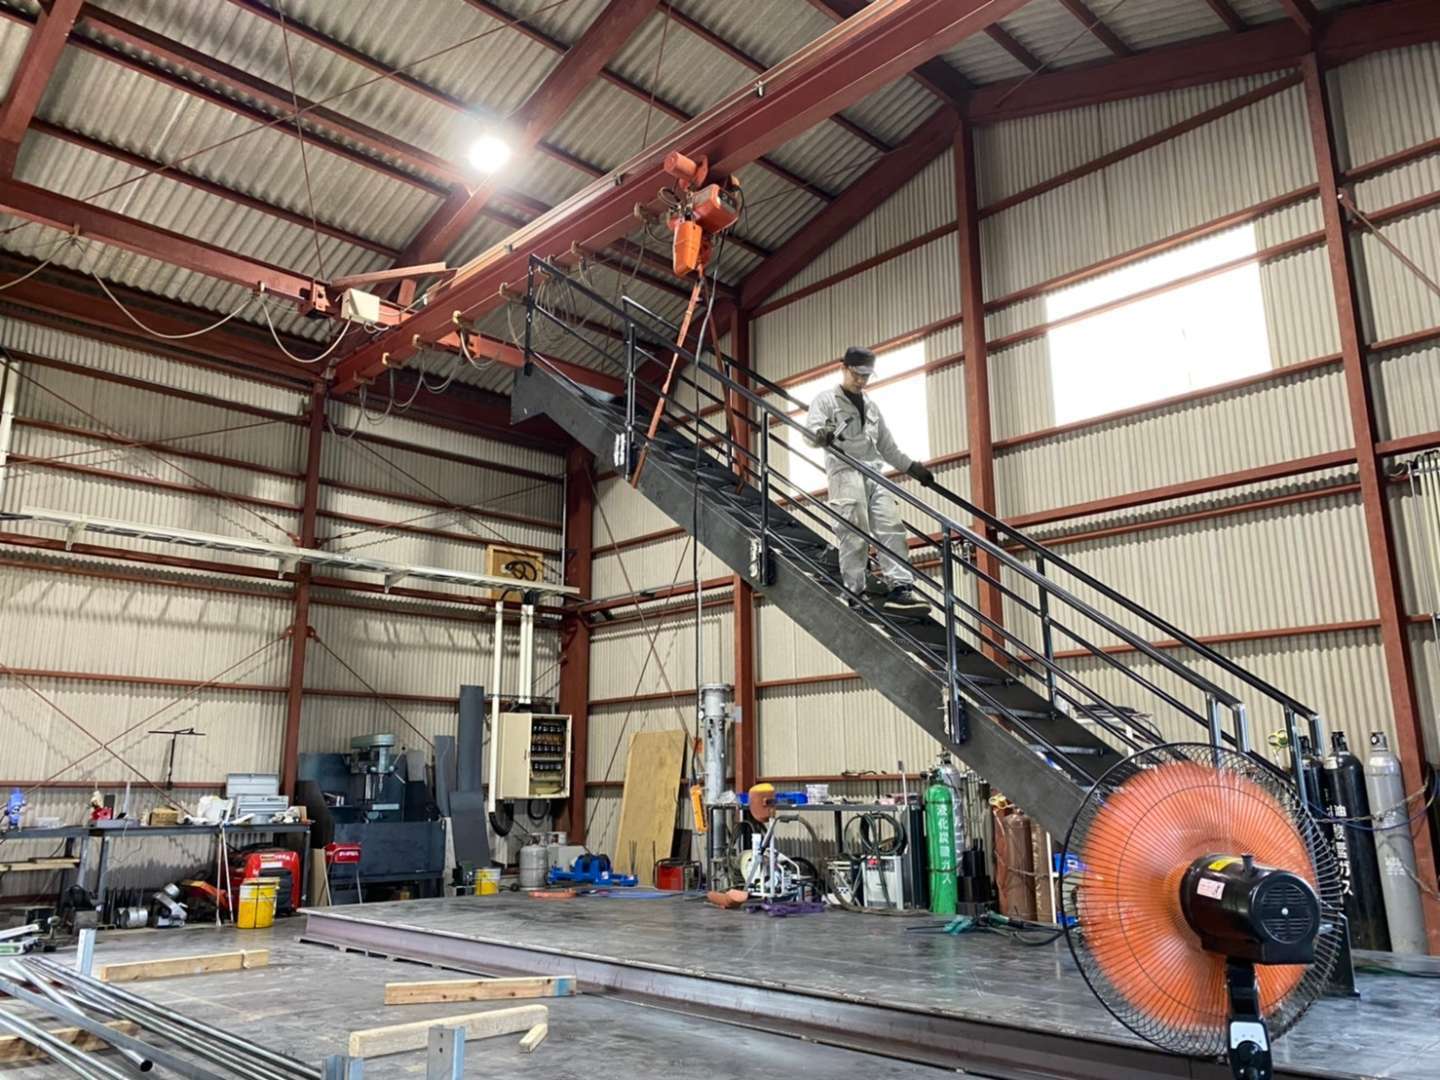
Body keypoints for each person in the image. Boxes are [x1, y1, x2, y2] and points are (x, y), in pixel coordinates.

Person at [803, 346, 935, 613]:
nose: (861, 380)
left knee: (891, 526)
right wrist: (820, 435)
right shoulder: (826, 400)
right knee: (854, 531)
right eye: (856, 374)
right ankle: (856, 592)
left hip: (874, 473)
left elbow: (887, 448)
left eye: (865, 376)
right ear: (843, 368)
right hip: (845, 470)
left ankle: (901, 588)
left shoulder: (872, 407)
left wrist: (912, 468)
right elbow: (810, 432)